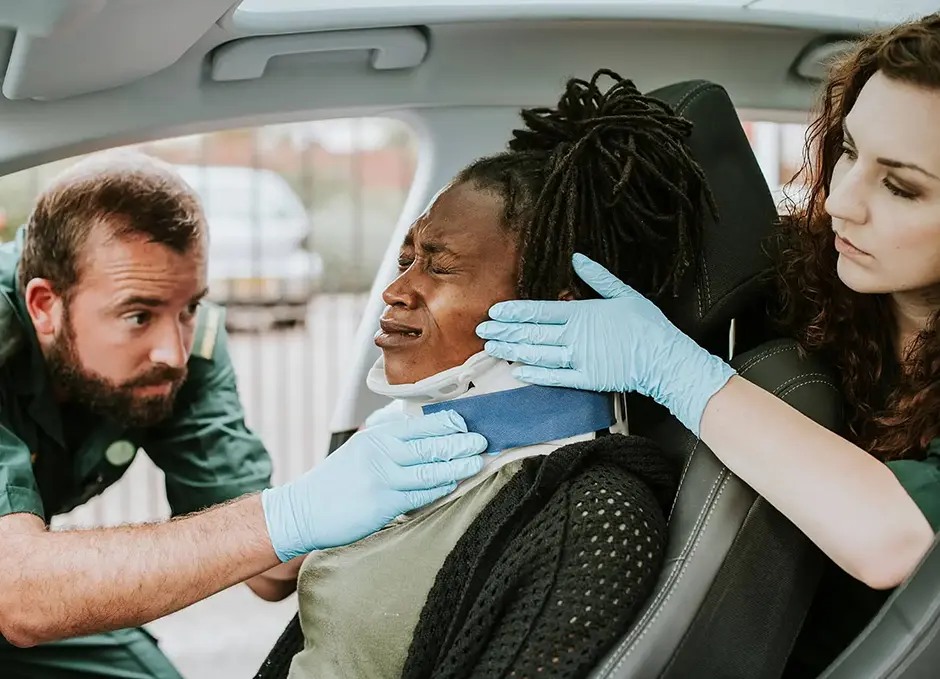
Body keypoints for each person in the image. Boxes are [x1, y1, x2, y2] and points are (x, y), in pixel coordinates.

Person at [476, 12, 940, 676]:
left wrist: (677, 370)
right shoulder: (795, 276)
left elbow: (897, 538)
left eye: (901, 186)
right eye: (849, 151)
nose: (841, 200)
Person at [277, 69, 712, 679]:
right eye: (407, 260)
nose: (397, 291)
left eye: (441, 266)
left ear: (553, 302)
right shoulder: (399, 435)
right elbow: (275, 576)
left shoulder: (590, 515)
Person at [0, 151, 488, 679]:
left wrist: (367, 493)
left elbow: (271, 569)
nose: (174, 352)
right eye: (137, 315)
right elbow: (21, 595)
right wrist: (291, 513)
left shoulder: (182, 347)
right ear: (45, 305)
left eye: (189, 308)